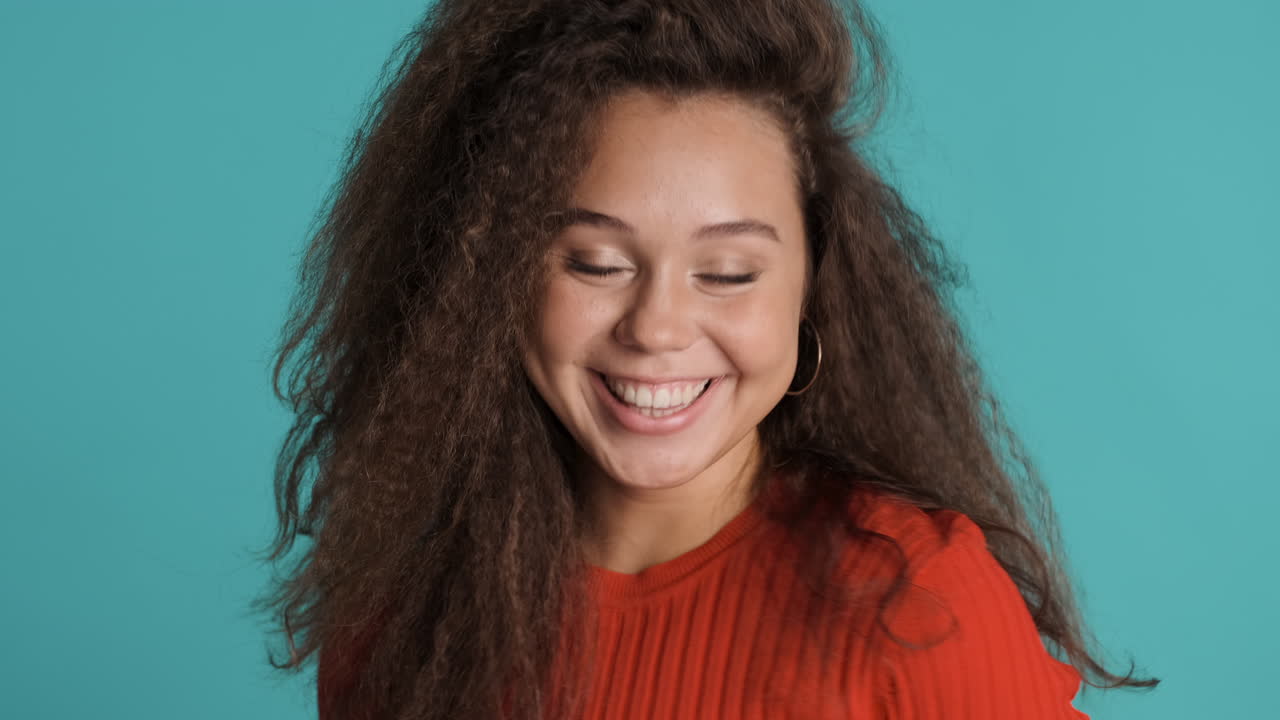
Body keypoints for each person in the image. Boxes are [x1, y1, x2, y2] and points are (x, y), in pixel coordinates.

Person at [253, 1, 1159, 718]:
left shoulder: (916, 600)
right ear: (491, 277)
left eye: (727, 272)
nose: (657, 326)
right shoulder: (397, 619)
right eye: (595, 263)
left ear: (813, 289)